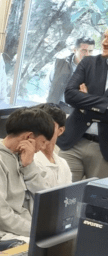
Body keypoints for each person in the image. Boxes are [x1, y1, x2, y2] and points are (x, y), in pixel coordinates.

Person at [0, 107, 53, 242]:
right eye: (42, 143)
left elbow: (46, 199)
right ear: (29, 137)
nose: (42, 148)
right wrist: (37, 231)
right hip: (0, 235)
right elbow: (0, 217)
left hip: (20, 229)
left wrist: (29, 167)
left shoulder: (21, 156)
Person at [58, 28, 108, 181]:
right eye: (105, 37)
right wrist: (104, 105)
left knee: (93, 202)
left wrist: (85, 101)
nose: (104, 42)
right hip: (73, 143)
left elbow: (77, 99)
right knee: (59, 196)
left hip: (104, 151)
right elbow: (70, 95)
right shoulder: (89, 62)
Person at [24, 103, 71, 193]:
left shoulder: (63, 164)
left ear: (60, 131)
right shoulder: (28, 159)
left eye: (49, 126)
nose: (43, 130)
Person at [46, 37, 94, 107]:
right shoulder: (59, 64)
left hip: (77, 111)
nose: (87, 54)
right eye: (84, 50)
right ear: (74, 50)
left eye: (90, 51)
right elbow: (48, 85)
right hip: (54, 108)